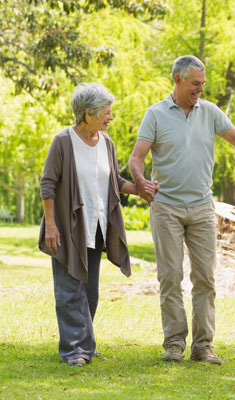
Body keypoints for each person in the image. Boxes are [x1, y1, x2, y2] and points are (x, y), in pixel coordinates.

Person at [128, 55, 235, 364]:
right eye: (195, 83)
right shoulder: (156, 114)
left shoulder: (210, 112)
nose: (200, 89)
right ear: (177, 79)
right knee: (170, 276)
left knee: (205, 278)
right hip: (167, 207)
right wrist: (141, 181)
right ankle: (174, 343)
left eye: (203, 83)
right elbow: (137, 158)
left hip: (201, 207)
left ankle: (204, 346)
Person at [39, 83, 157, 366]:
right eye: (106, 112)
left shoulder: (106, 143)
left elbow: (114, 181)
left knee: (90, 291)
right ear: (88, 113)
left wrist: (140, 188)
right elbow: (48, 184)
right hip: (68, 228)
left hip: (97, 225)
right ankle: (75, 350)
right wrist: (51, 226)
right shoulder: (63, 142)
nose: (111, 118)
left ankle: (81, 343)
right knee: (69, 290)